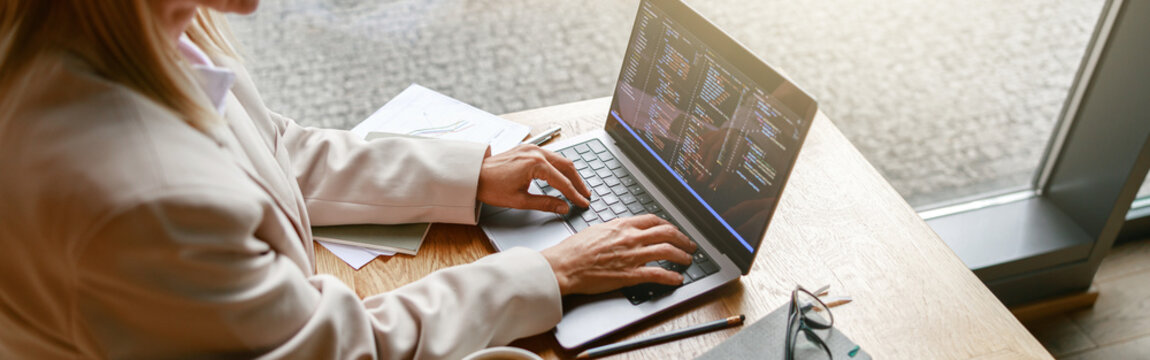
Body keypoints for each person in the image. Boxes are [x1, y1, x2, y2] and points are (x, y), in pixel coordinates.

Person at [0, 0, 697, 358]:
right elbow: (343, 351)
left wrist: (469, 173)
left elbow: (275, 148)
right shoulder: (140, 198)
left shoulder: (142, 36)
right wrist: (551, 274)